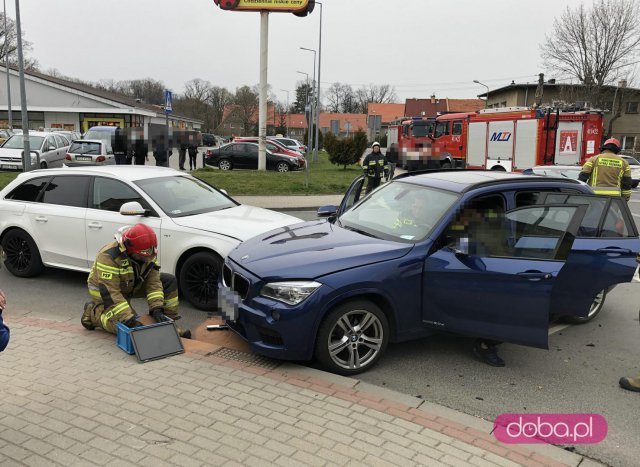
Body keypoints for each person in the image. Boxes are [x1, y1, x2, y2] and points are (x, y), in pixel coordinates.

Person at [81, 223, 191, 339]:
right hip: (105, 294)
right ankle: (93, 314)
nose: (147, 259)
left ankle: (168, 324)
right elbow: (111, 293)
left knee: (168, 281)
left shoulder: (148, 252)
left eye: (150, 256)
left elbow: (153, 283)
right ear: (129, 250)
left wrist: (157, 308)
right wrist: (128, 318)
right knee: (128, 328)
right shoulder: (108, 256)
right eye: (143, 257)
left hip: (130, 284)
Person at [445, 200, 508, 367]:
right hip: (480, 273)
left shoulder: (501, 228)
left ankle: (486, 344)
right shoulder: (469, 226)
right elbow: (459, 246)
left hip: (499, 273)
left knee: (504, 310)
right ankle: (485, 343)